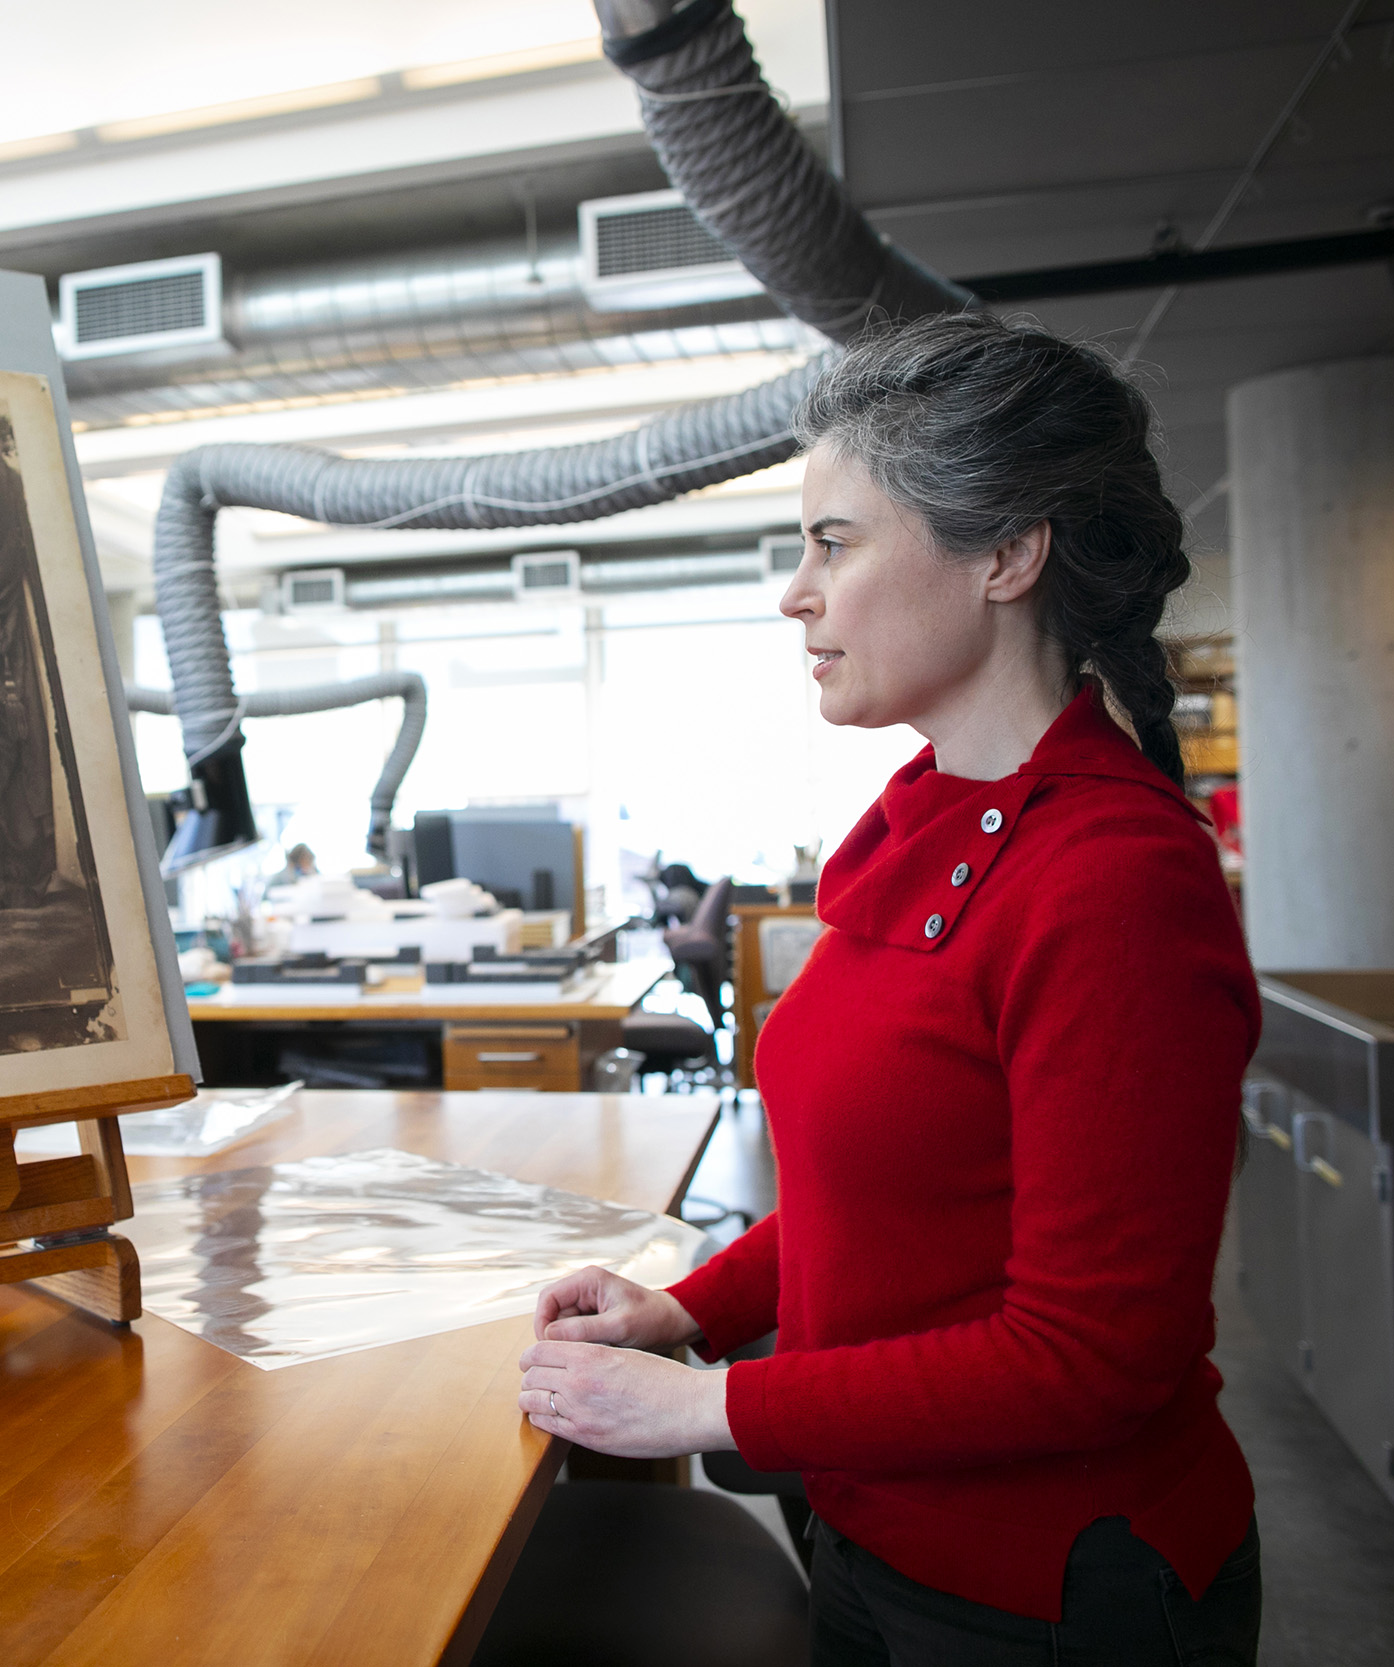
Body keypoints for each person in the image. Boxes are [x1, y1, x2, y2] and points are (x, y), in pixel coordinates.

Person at [518, 314, 1263, 1662]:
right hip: (874, 1521)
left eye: (834, 541)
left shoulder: (1110, 877)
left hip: (1035, 1586)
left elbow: (1091, 1353)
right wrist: (691, 1307)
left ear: (1007, 553)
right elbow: (886, 1197)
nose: (794, 590)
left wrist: (709, 1405)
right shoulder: (918, 814)